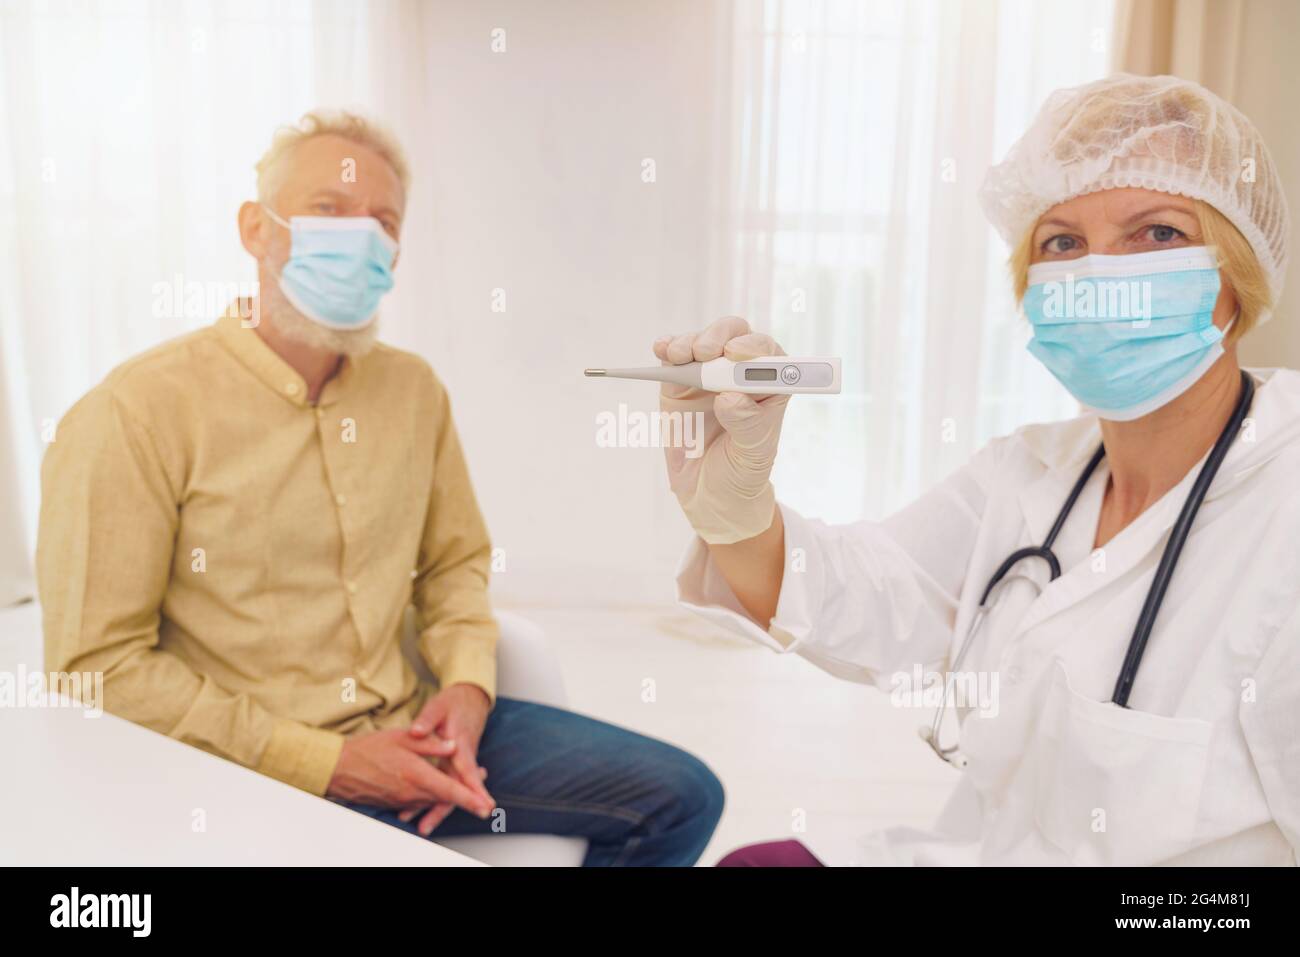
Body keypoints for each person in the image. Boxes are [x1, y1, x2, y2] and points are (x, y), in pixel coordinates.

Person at [37, 110, 723, 867]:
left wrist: (466, 690)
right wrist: (327, 763)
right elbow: (97, 667)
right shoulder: (134, 411)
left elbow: (456, 562)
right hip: (252, 768)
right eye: (328, 209)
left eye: (382, 221)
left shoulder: (413, 391)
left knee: (683, 796)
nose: (359, 236)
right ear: (255, 230)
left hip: (417, 729)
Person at [659, 74, 1299, 866]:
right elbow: (869, 588)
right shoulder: (1032, 471)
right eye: (1062, 241)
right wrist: (736, 510)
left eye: (1157, 232)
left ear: (1240, 269)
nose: (1098, 273)